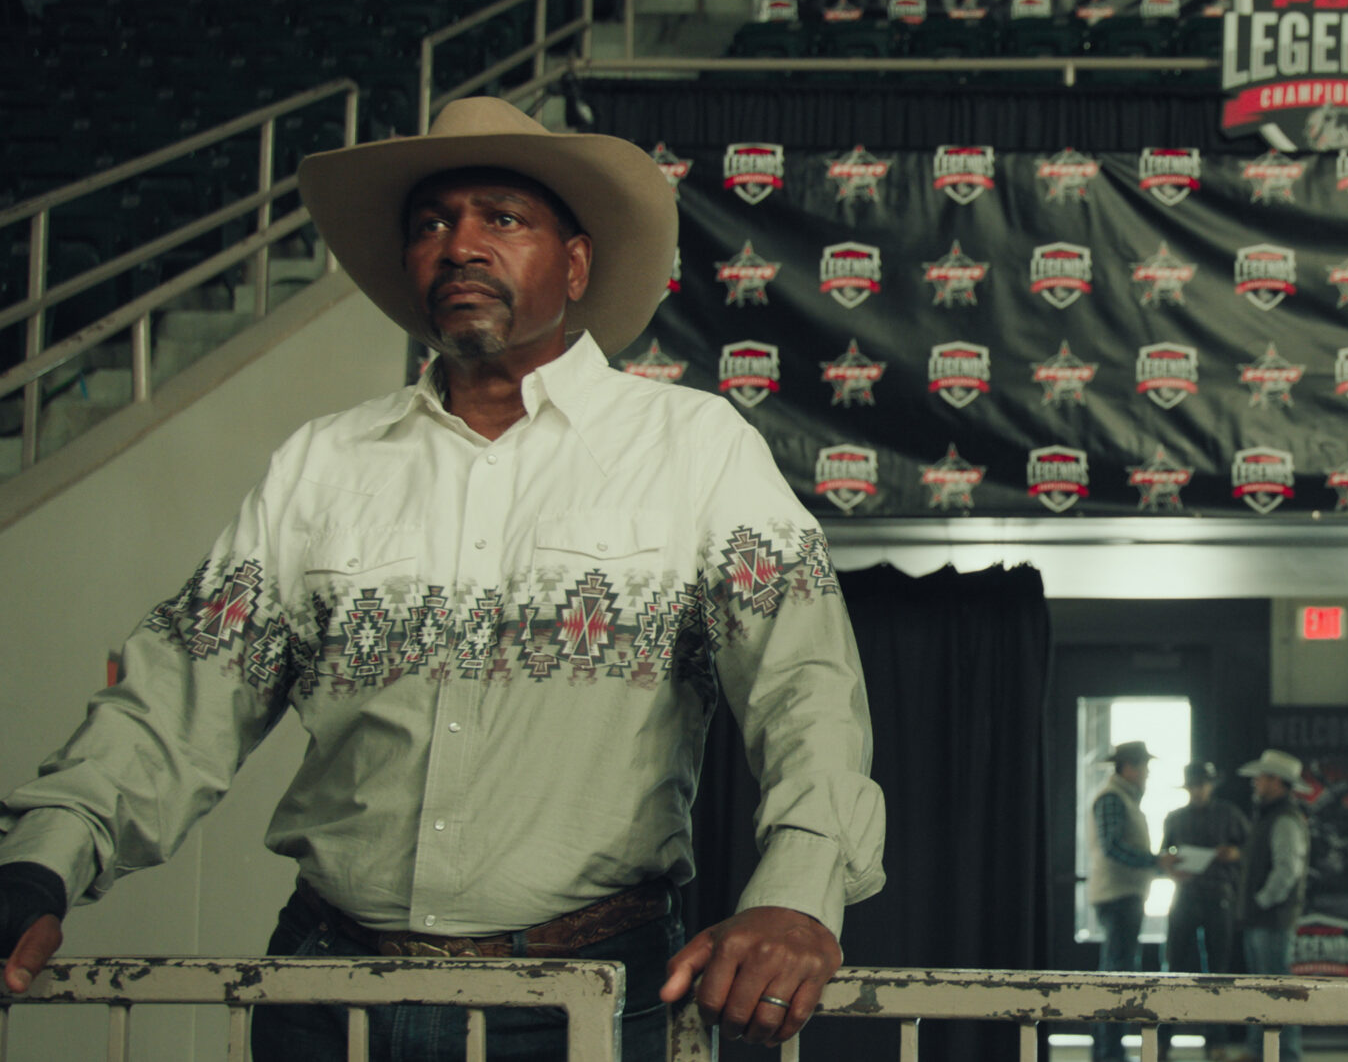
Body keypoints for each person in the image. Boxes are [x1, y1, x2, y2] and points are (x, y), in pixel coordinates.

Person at [0, 97, 888, 1059]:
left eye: (501, 217)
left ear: (576, 263)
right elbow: (184, 693)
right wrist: (41, 861)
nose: (459, 245)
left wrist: (799, 890)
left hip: (588, 999)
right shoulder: (323, 463)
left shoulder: (696, 447)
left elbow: (805, 683)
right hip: (322, 992)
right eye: (431, 224)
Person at [1161, 760, 1250, 1057]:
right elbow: (1164, 855)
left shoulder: (1229, 814)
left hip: (1218, 895)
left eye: (1202, 785)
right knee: (1174, 967)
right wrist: (1169, 865)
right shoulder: (1175, 818)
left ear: (1211, 785)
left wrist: (1235, 854)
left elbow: (1251, 849)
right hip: (1186, 894)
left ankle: (1216, 1042)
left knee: (1218, 972)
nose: (1198, 790)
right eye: (1194, 786)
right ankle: (1163, 1041)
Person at [1235, 749, 1310, 1062]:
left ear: (1276, 781)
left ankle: (1285, 1054)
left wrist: (1261, 901)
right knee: (1265, 987)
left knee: (1277, 989)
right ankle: (1260, 1051)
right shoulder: (1274, 816)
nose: (1256, 782)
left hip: (1271, 919)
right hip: (1264, 918)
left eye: (1261, 777)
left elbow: (1286, 871)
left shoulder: (1283, 819)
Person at [1089, 740, 1160, 1062]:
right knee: (1117, 977)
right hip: (1118, 897)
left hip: (1123, 896)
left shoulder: (1123, 798)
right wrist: (1155, 862)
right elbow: (1113, 847)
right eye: (1144, 767)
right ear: (1129, 767)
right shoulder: (1114, 798)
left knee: (1117, 973)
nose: (1147, 774)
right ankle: (1109, 1054)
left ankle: (1109, 1051)